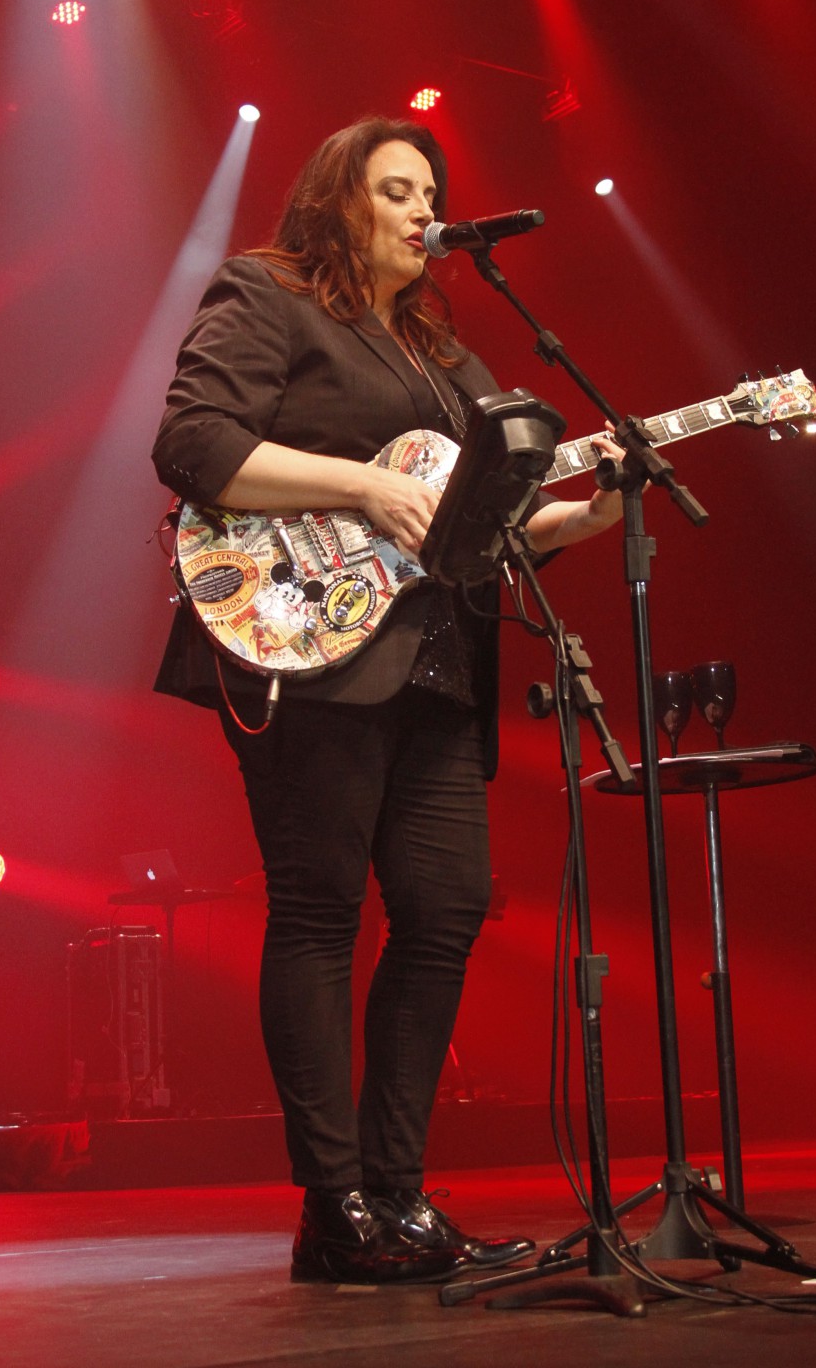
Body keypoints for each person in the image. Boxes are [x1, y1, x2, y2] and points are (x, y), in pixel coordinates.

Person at [152, 117, 626, 1285]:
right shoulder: (270, 295)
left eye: (433, 193)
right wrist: (364, 481)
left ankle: (396, 1195)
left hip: (428, 661)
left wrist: (584, 511)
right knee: (318, 910)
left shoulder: (442, 356)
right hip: (298, 636)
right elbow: (195, 441)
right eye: (398, 190)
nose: (424, 211)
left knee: (449, 905)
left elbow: (476, 529)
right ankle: (333, 1203)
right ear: (341, 200)